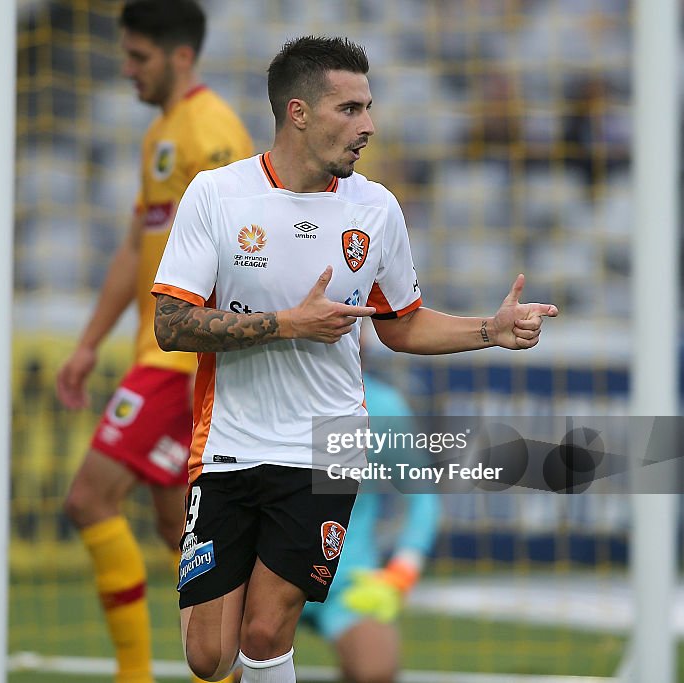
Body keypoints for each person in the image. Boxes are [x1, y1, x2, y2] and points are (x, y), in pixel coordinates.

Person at [150, 35, 557, 683]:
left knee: (264, 630)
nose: (367, 125)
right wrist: (288, 323)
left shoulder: (375, 209)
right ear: (298, 112)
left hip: (326, 444)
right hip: (226, 442)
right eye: (350, 109)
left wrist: (491, 328)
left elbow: (402, 326)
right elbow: (170, 325)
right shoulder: (218, 196)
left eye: (368, 107)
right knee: (208, 656)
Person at [55, 2, 252, 683]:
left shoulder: (212, 128)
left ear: (181, 57)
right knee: (181, 534)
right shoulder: (160, 135)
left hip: (178, 360)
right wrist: (87, 345)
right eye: (127, 54)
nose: (127, 68)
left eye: (139, 57)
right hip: (153, 353)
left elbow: (244, 241)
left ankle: (133, 675)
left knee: (88, 498)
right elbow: (134, 250)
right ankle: (230, 675)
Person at [302, 374, 440, 683]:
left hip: (349, 582)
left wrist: (404, 570)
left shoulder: (384, 406)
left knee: (376, 671)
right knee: (235, 665)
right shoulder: (269, 396)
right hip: (268, 572)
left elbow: (422, 496)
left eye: (358, 324)